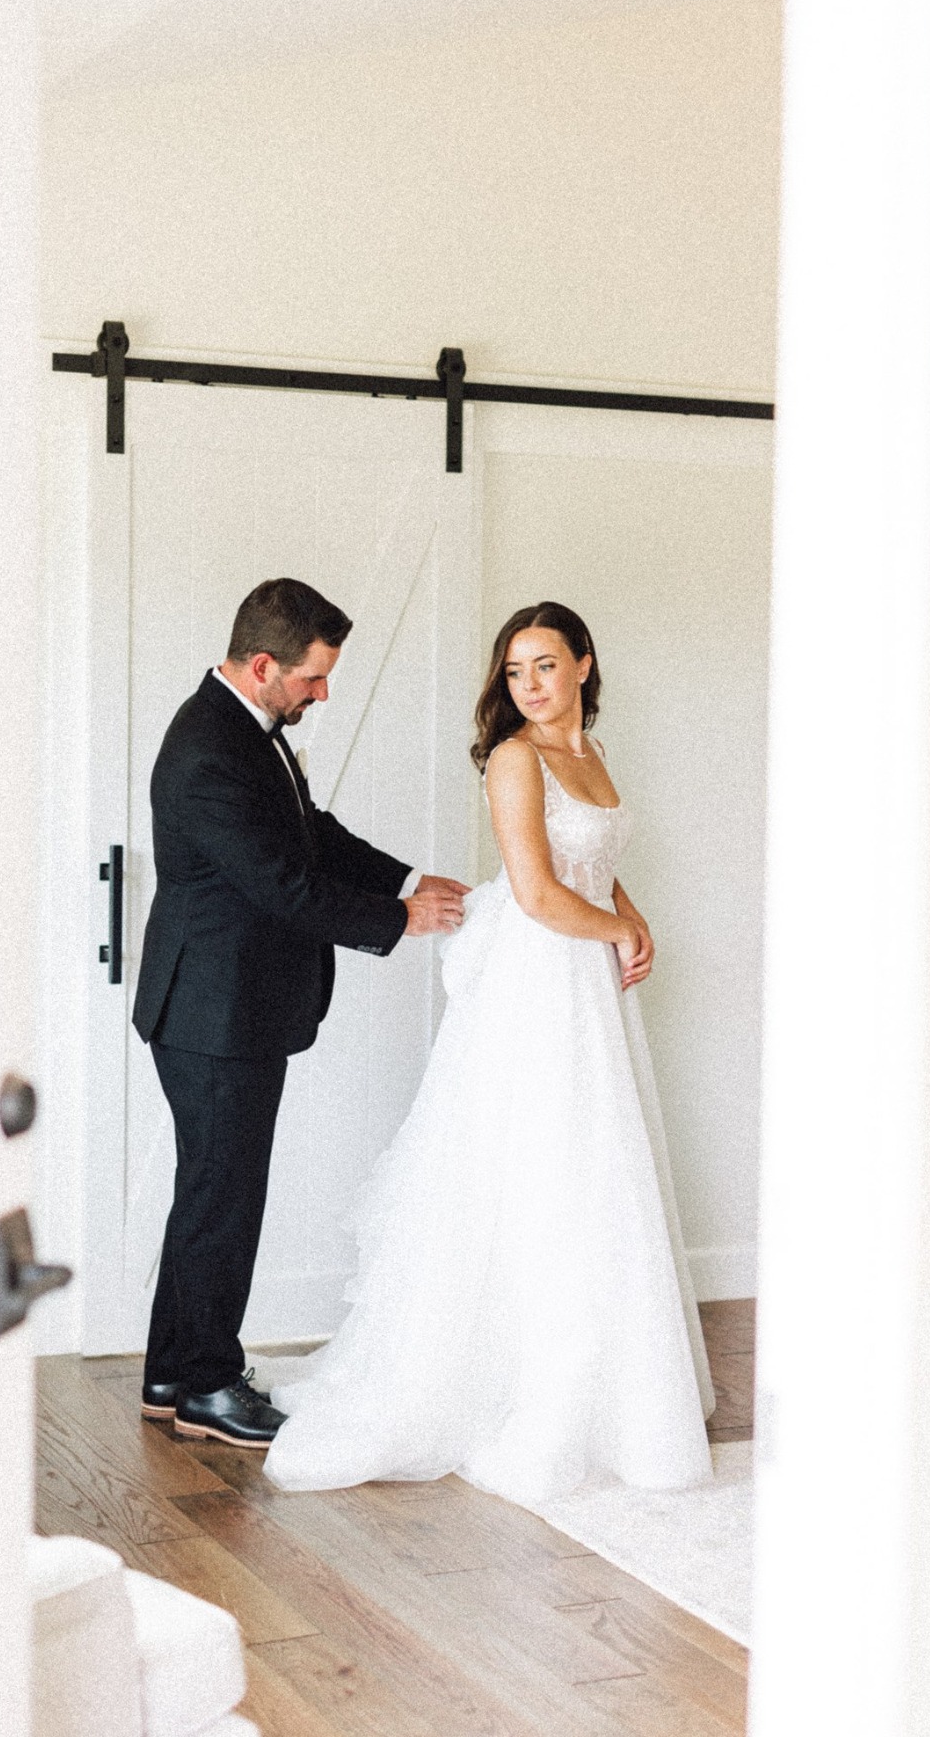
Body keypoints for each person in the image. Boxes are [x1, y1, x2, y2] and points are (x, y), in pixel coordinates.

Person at [266, 601, 715, 1503]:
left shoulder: (589, 755)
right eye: (515, 672)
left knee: (596, 1165)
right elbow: (539, 890)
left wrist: (631, 915)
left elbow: (592, 860)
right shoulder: (516, 759)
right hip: (542, 979)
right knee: (544, 1164)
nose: (530, 686)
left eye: (545, 666)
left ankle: (619, 1391)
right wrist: (617, 932)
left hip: (584, 975)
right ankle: (526, 1389)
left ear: (584, 665)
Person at [132, 577, 468, 1448]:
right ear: (263, 664)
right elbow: (281, 887)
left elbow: (310, 836)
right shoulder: (210, 750)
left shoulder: (248, 731)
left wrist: (402, 879)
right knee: (224, 1197)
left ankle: (173, 1372)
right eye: (314, 679)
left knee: (208, 1192)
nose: (323, 694)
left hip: (221, 1006)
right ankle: (207, 1386)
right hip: (213, 1012)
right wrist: (399, 922)